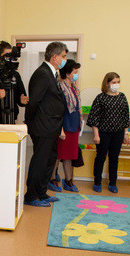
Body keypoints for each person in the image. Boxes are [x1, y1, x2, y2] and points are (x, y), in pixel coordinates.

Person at [23, 41, 69, 207]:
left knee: (49, 161)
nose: (64, 60)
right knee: (40, 162)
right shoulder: (42, 73)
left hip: (52, 127)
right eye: (63, 56)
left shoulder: (52, 73)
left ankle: (41, 192)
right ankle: (31, 196)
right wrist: (29, 122)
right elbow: (34, 101)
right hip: (43, 127)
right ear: (55, 57)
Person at [86, 72, 130, 194]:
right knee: (100, 157)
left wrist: (126, 133)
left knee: (114, 158)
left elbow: (126, 116)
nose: (116, 84)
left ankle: (113, 183)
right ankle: (97, 182)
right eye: (114, 82)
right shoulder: (100, 98)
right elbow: (94, 117)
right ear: (107, 83)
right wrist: (96, 135)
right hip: (103, 133)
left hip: (118, 133)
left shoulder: (122, 97)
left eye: (118, 82)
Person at [49, 59, 82, 193]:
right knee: (58, 155)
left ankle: (68, 180)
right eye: (75, 72)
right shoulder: (61, 88)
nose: (76, 74)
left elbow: (77, 107)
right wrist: (60, 129)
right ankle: (52, 179)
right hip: (64, 126)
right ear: (68, 74)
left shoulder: (74, 88)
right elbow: (58, 110)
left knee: (69, 155)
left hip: (74, 126)